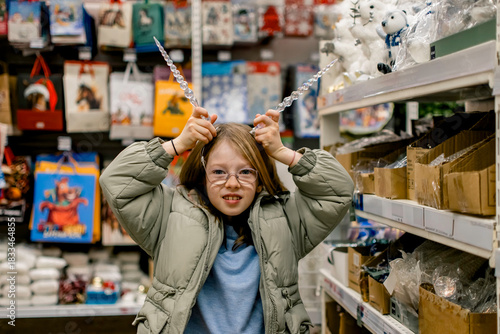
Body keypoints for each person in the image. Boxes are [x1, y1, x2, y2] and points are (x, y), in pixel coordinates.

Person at [100, 107, 354, 334]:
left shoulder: (286, 220)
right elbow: (116, 182)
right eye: (219, 172)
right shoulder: (169, 216)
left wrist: (282, 152)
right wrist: (177, 144)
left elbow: (338, 191)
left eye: (245, 172)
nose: (232, 183)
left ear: (260, 176)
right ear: (202, 173)